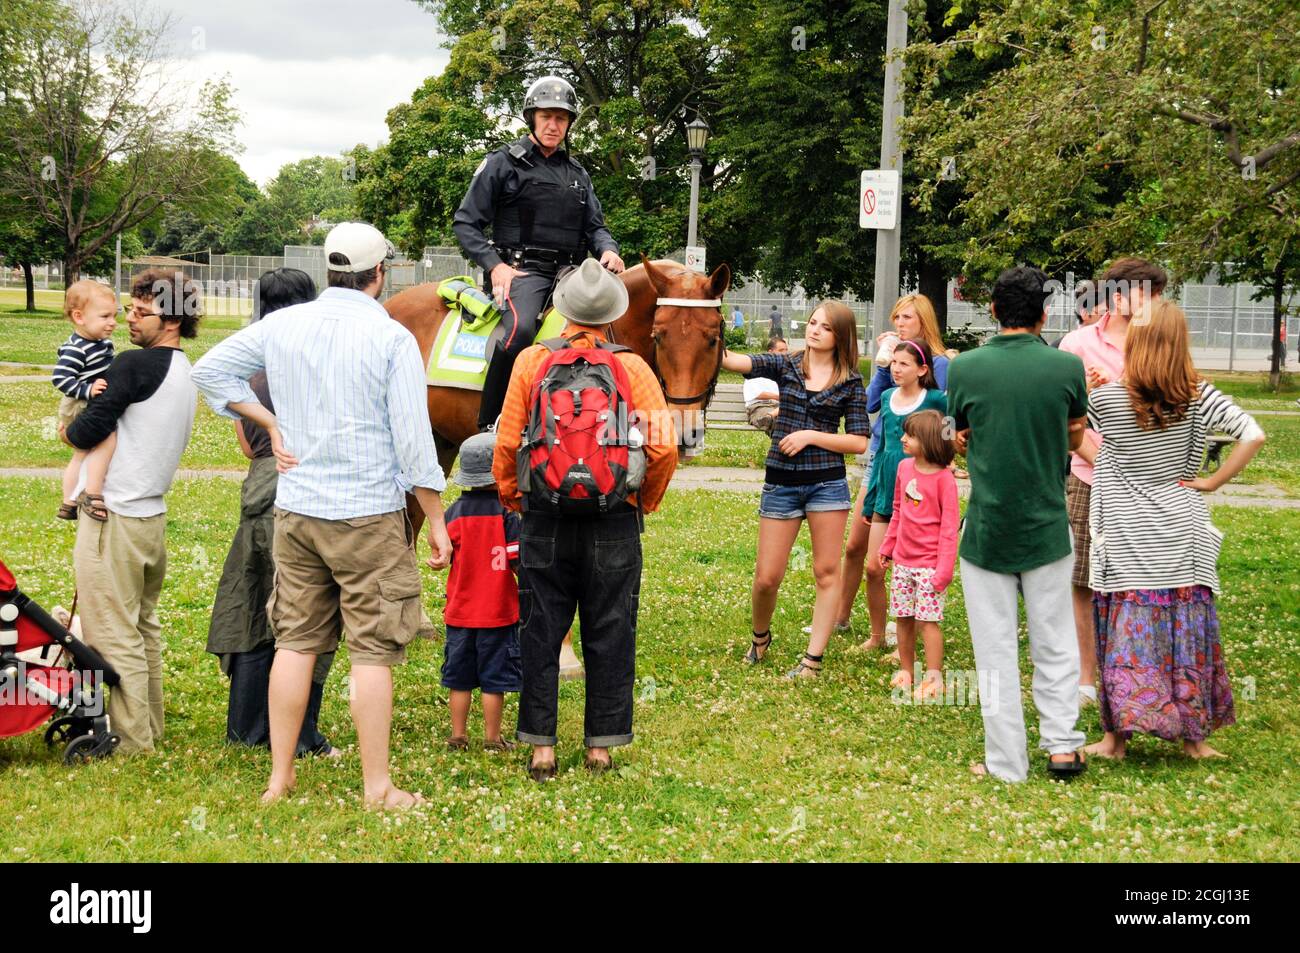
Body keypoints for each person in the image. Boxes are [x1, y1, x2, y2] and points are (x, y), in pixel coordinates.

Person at [191, 222, 452, 809]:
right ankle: (377, 787)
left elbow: (207, 371)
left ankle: (279, 780)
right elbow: (414, 441)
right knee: (373, 651)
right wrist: (435, 518)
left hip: (298, 508)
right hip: (368, 516)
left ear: (330, 268)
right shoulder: (389, 338)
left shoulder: (282, 324)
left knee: (296, 643)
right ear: (380, 273)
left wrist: (268, 421)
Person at [492, 258, 677, 780]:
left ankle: (541, 748)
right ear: (611, 314)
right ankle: (600, 746)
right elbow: (662, 448)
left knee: (540, 629)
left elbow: (508, 442)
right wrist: (643, 501)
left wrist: (515, 499)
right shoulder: (633, 367)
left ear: (563, 310)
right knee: (612, 628)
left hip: (544, 518)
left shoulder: (531, 361)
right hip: (614, 519)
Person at [1085, 300, 1265, 761]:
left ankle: (1115, 739)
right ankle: (1195, 739)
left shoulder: (1107, 397)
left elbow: (1070, 433)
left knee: (1127, 625)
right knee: (1186, 627)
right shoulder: (1197, 393)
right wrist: (1213, 480)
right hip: (1181, 525)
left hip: (1126, 529)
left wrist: (1087, 394)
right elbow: (1253, 434)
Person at [946, 265, 1090, 782]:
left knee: (995, 649)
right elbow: (1075, 437)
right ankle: (1064, 748)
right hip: (1048, 522)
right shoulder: (1066, 368)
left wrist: (967, 438)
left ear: (992, 311)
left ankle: (1007, 763)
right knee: (1054, 640)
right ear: (1044, 312)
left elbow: (955, 431)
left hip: (987, 525)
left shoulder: (964, 369)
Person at [61, 269, 200, 754]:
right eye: (131, 309)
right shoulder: (184, 371)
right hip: (151, 517)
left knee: (112, 633)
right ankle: (150, 727)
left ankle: (131, 741)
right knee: (142, 629)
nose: (131, 319)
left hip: (112, 516)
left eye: (144, 311)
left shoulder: (134, 366)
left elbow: (81, 433)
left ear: (173, 319)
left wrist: (67, 434)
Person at [205, 268, 338, 758]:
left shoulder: (250, 371)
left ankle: (245, 728)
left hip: (261, 486)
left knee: (253, 606)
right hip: (309, 484)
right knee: (307, 613)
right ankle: (302, 735)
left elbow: (246, 445)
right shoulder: (320, 362)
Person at [453, 75, 624, 432]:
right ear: (532, 118)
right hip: (521, 272)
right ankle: (490, 424)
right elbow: (466, 223)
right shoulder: (502, 163)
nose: (553, 125)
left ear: (569, 124)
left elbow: (596, 227)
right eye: (546, 116)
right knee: (520, 329)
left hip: (570, 275)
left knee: (612, 328)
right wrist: (494, 266)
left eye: (561, 118)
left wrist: (608, 250)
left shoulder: (578, 174)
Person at [722, 301, 869, 679]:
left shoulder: (850, 381)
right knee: (767, 577)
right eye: (812, 322)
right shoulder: (785, 363)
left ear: (840, 336)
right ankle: (759, 637)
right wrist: (707, 326)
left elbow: (858, 442)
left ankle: (812, 660)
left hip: (826, 484)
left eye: (824, 326)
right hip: (782, 483)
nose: (814, 329)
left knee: (825, 572)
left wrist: (808, 436)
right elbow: (733, 361)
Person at [1058, 257, 1165, 709]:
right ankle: (1086, 676)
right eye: (1147, 293)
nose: (1155, 303)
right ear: (1118, 296)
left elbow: (1172, 410)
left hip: (1147, 480)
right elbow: (1059, 415)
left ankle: (1134, 671)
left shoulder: (1162, 344)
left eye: (1159, 295)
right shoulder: (1077, 343)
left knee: (1138, 580)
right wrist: (1094, 456)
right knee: (1082, 579)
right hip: (1088, 477)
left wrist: (1119, 388)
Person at [835, 295, 951, 650]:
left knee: (903, 559)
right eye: (896, 317)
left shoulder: (940, 367)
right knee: (859, 548)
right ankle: (843, 618)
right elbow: (872, 402)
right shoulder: (891, 368)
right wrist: (885, 363)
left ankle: (901, 631)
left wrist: (940, 465)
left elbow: (947, 424)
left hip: (918, 472)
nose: (900, 323)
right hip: (881, 466)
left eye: (908, 317)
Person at [437, 431, 522, 752]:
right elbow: (516, 560)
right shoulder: (506, 514)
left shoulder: (453, 513)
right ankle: (492, 739)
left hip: (459, 614)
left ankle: (457, 736)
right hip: (498, 615)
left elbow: (439, 549)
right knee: (493, 681)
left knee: (458, 679)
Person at [859, 338, 946, 651]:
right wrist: (870, 498)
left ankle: (903, 643)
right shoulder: (885, 396)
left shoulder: (937, 399)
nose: (896, 368)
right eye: (894, 362)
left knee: (907, 572)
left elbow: (947, 438)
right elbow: (882, 446)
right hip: (885, 490)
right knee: (874, 567)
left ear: (922, 369)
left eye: (904, 363)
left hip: (918, 496)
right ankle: (877, 636)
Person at [875, 410, 959, 701]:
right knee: (903, 617)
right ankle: (907, 671)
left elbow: (949, 529)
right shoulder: (903, 468)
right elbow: (898, 510)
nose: (903, 438)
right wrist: (888, 546)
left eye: (910, 435)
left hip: (930, 567)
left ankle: (935, 679)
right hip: (903, 562)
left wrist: (944, 570)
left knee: (928, 622)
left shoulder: (944, 479)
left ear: (929, 440)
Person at [53, 279, 119, 522]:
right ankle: (81, 496)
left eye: (114, 315)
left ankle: (73, 500)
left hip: (90, 402)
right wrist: (87, 390)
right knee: (95, 446)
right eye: (104, 316)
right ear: (79, 317)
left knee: (85, 453)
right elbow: (60, 379)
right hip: (79, 404)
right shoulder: (76, 348)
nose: (112, 322)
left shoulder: (100, 344)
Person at [742, 336, 788, 433]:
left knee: (789, 420)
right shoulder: (756, 369)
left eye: (786, 350)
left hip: (780, 406)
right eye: (781, 350)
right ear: (770, 352)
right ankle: (769, 418)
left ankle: (771, 416)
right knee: (779, 422)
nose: (785, 354)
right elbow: (757, 394)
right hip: (760, 406)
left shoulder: (787, 371)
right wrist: (780, 397)